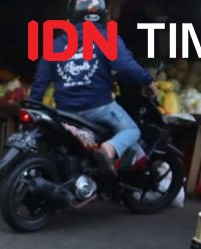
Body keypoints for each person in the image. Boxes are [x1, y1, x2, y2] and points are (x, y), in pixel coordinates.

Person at [29, 0, 155, 175]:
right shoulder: (107, 38)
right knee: (132, 130)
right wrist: (147, 80)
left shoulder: (56, 44)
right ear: (102, 14)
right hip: (99, 108)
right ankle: (109, 149)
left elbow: (41, 80)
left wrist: (33, 105)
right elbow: (126, 67)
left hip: (65, 112)